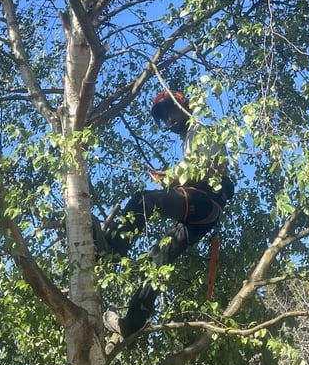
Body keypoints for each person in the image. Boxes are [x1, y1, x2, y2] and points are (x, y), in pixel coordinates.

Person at [100, 89, 235, 338]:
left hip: (205, 201)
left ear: (182, 105)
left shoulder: (201, 129)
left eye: (170, 112)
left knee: (145, 200)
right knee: (157, 259)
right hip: (201, 211)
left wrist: (171, 178)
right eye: (164, 118)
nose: (170, 120)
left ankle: (113, 249)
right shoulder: (189, 136)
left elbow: (203, 169)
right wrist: (171, 179)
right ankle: (133, 323)